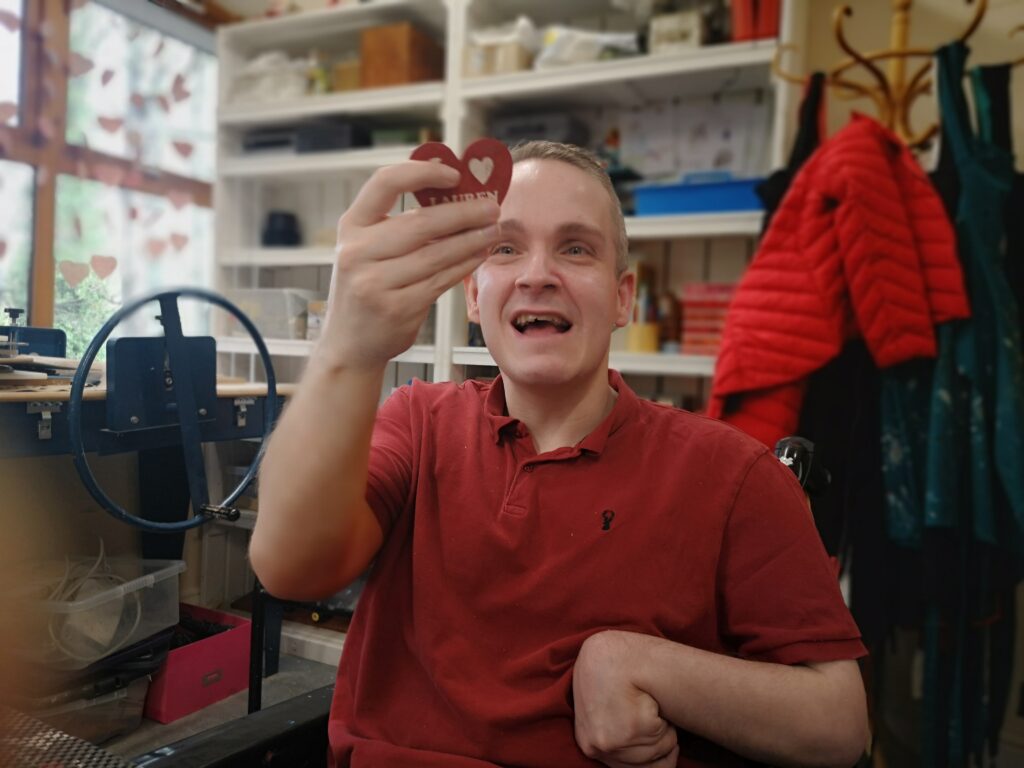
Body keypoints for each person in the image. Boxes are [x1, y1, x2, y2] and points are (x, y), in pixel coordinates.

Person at [251, 141, 870, 768]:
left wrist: (641, 663)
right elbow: (290, 570)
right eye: (505, 248)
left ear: (623, 298)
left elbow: (840, 726)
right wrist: (347, 349)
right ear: (473, 296)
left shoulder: (732, 474)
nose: (537, 274)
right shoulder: (417, 423)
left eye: (575, 249)